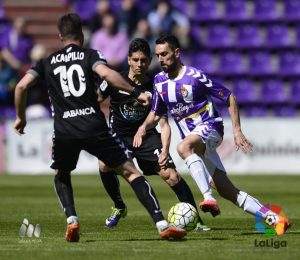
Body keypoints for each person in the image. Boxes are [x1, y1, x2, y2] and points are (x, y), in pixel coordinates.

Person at [13, 14, 187, 242]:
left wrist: (20, 117)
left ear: (59, 36)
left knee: (62, 174)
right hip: (93, 126)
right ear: (82, 35)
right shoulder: (90, 55)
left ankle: (72, 220)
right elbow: (107, 75)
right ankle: (162, 224)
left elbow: (21, 86)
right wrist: (135, 92)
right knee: (131, 172)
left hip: (64, 129)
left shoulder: (46, 61)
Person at [133, 33, 291, 236]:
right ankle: (276, 219)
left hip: (210, 127)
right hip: (196, 140)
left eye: (164, 54)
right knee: (227, 190)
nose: (160, 59)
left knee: (183, 147)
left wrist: (237, 130)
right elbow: (156, 113)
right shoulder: (159, 81)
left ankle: (208, 197)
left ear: (177, 53)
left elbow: (229, 96)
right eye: (158, 55)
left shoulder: (194, 77)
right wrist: (142, 127)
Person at [98, 38, 209, 232]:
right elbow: (95, 100)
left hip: (147, 137)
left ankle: (197, 220)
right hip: (119, 136)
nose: (139, 64)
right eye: (135, 60)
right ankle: (119, 206)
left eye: (143, 60)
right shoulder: (115, 80)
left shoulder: (157, 84)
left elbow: (164, 124)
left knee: (171, 176)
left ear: (149, 61)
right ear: (128, 60)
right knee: (104, 165)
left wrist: (165, 150)